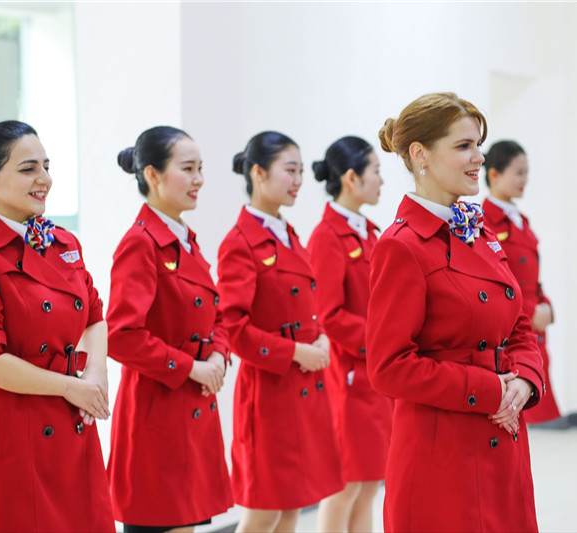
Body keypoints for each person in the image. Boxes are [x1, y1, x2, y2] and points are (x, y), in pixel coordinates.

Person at [367, 93, 546, 533]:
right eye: (464, 146)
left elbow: (518, 325)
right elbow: (388, 367)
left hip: (503, 441)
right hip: (441, 455)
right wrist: (488, 389)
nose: (479, 157)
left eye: (478, 145)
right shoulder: (400, 245)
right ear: (420, 154)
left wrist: (524, 381)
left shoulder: (480, 229)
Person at [0, 119, 114, 532]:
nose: (44, 179)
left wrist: (95, 376)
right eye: (28, 169)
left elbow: (96, 316)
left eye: (46, 166)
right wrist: (72, 386)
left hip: (72, 421)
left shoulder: (64, 242)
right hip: (11, 428)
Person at [106, 126, 233, 532]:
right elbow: (121, 335)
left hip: (193, 410)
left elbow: (218, 315)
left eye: (201, 169)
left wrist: (217, 355)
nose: (198, 180)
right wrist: (190, 366)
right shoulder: (140, 243)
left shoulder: (185, 240)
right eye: (187, 168)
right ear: (153, 175)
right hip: (157, 415)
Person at [217, 131, 343, 533]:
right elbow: (234, 327)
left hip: (303, 390)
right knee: (264, 510)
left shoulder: (288, 234)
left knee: (292, 505)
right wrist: (295, 352)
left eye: (302, 171)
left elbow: (306, 304)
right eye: (290, 170)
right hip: (269, 395)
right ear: (258, 172)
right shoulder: (240, 242)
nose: (298, 180)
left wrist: (320, 335)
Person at [307, 136, 393, 533]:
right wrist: (380, 339)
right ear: (351, 178)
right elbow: (329, 315)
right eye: (375, 171)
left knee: (369, 484)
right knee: (345, 485)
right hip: (349, 377)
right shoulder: (327, 236)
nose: (381, 180)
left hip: (376, 376)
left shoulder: (371, 234)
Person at [483, 140, 561, 424]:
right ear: (494, 174)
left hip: (532, 331)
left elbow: (532, 280)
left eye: (526, 172)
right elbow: (494, 283)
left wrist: (548, 307)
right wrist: (531, 310)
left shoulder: (520, 221)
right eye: (518, 172)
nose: (524, 180)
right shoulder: (484, 222)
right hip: (509, 333)